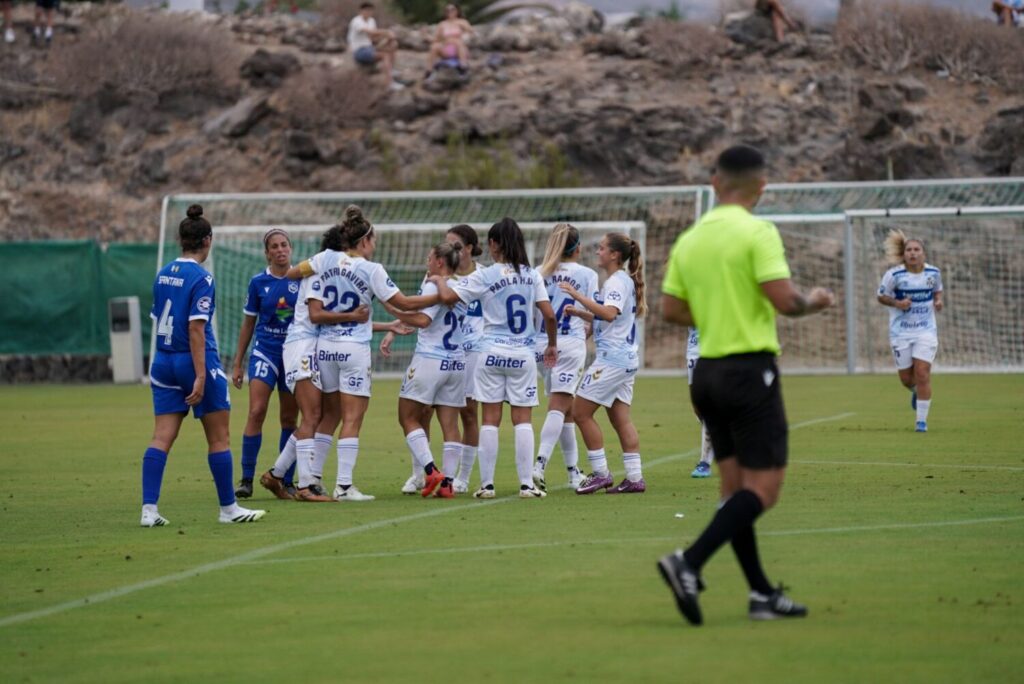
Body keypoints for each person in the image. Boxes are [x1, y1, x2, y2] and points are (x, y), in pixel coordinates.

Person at [657, 145, 834, 625]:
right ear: (762, 186)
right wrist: (815, 301)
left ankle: (760, 594)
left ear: (715, 183)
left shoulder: (690, 239)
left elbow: (670, 310)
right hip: (748, 372)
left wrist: (714, 314)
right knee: (765, 489)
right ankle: (688, 563)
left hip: (706, 374)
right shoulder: (758, 232)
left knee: (733, 492)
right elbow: (785, 300)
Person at [295, 205, 439, 502]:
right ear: (364, 241)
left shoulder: (325, 259)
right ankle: (345, 486)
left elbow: (296, 272)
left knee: (329, 415)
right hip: (353, 349)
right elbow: (405, 303)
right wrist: (444, 295)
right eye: (373, 240)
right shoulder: (372, 269)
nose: (375, 246)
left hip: (325, 347)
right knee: (352, 418)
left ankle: (313, 479)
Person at [140, 205, 266, 526]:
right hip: (195, 362)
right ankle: (229, 509)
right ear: (207, 240)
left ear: (181, 239)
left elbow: (158, 320)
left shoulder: (164, 272)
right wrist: (199, 375)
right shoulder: (202, 277)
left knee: (161, 437)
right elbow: (196, 328)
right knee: (219, 438)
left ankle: (149, 510)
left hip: (163, 360)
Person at [434, 217, 557, 499]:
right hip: (522, 354)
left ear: (493, 244)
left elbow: (449, 298)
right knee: (522, 419)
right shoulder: (531, 275)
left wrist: (440, 280)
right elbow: (549, 315)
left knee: (489, 419)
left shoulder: (486, 274)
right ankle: (526, 484)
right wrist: (551, 345)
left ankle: (487, 485)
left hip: (490, 353)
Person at [258, 226, 370, 503]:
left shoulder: (325, 269)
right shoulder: (319, 271)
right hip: (302, 345)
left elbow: (347, 318)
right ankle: (305, 485)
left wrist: (380, 324)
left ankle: (276, 473)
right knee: (311, 416)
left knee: (318, 416)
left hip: (312, 347)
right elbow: (317, 315)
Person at [559, 233, 647, 495]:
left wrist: (577, 296)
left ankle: (600, 474)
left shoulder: (616, 283)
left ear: (614, 255)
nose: (597, 251)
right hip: (627, 360)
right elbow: (610, 316)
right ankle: (634, 478)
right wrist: (580, 312)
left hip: (612, 361)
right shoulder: (621, 281)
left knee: (579, 412)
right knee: (621, 419)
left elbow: (609, 314)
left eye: (601, 248)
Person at [385, 241, 468, 499]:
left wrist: (390, 308)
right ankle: (448, 484)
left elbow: (423, 320)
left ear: (440, 262)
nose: (426, 261)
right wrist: (395, 324)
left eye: (429, 257)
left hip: (430, 359)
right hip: (456, 361)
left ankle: (431, 471)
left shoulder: (434, 283)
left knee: (407, 417)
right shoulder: (460, 286)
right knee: (450, 424)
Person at [231, 229, 300, 499]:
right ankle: (246, 479)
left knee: (289, 418)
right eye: (275, 246)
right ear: (267, 252)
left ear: (290, 249)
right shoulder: (258, 283)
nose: (280, 249)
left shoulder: (303, 279)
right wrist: (237, 363)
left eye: (284, 244)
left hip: (293, 354)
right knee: (256, 411)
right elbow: (248, 323)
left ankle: (286, 478)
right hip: (265, 351)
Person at [530, 223, 596, 491]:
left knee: (566, 408)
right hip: (567, 344)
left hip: (538, 345)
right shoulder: (587, 274)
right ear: (578, 247)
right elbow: (595, 312)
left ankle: (572, 472)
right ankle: (539, 465)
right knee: (559, 405)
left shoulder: (538, 273)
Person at [877, 230, 943, 433]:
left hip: (926, 331)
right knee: (907, 379)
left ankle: (921, 422)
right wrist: (898, 303)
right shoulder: (894, 275)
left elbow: (937, 290)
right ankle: (915, 391)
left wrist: (938, 301)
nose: (913, 253)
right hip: (901, 333)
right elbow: (881, 296)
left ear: (923, 253)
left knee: (922, 373)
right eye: (909, 250)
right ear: (903, 253)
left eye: (917, 250)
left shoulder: (933, 273)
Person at [348, 2, 404, 91]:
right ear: (361, 11)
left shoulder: (371, 20)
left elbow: (373, 38)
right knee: (384, 55)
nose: (368, 12)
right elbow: (370, 32)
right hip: (359, 51)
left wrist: (387, 39)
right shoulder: (356, 21)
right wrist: (386, 32)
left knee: (393, 44)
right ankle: (389, 83)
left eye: (370, 11)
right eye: (366, 10)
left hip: (370, 47)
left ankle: (391, 70)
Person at [687, 327, 715, 479]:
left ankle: (704, 462)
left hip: (717, 350)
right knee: (698, 408)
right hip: (693, 351)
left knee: (710, 408)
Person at [426, 3, 472, 78]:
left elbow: (470, 33)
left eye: (452, 10)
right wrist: (426, 36)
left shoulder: (462, 22)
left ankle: (463, 67)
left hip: (459, 48)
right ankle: (429, 70)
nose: (450, 12)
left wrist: (464, 35)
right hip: (446, 48)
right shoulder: (442, 24)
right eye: (448, 10)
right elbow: (435, 39)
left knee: (457, 42)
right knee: (434, 46)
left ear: (457, 11)